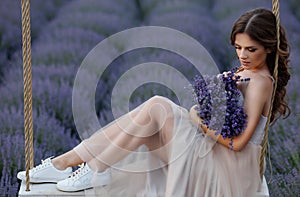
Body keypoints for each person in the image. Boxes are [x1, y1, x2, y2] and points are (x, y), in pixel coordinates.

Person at [17, 8, 291, 196]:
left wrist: (198, 121)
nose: (242, 54)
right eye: (238, 47)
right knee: (150, 119)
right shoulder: (247, 72)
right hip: (213, 157)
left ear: (268, 47)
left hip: (228, 176)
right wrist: (202, 110)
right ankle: (71, 163)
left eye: (251, 49)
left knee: (158, 106)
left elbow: (239, 143)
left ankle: (80, 166)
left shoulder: (261, 83)